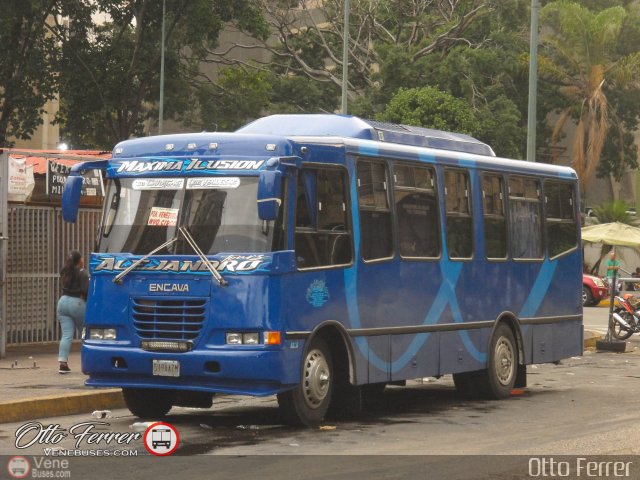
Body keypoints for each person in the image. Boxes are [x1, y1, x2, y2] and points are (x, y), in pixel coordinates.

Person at [57, 250, 89, 374]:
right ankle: (89, 363)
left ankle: (63, 363)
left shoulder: (66, 271)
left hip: (62, 302)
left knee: (66, 335)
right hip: (78, 303)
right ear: (79, 260)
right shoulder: (82, 273)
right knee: (86, 335)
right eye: (82, 258)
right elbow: (86, 290)